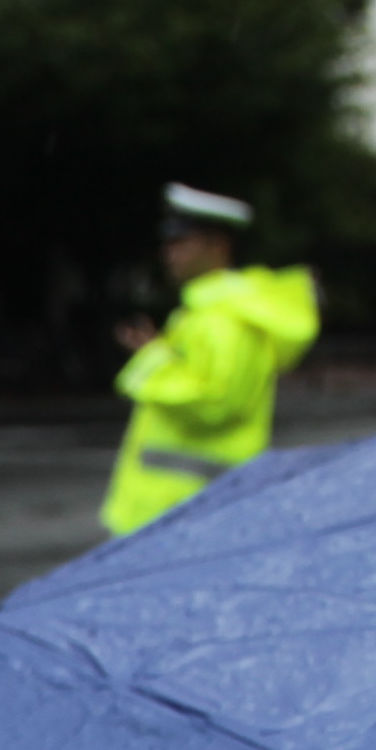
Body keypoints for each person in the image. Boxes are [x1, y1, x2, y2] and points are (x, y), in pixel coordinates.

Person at [102, 183, 320, 535]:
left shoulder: (226, 319)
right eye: (168, 243)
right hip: (181, 513)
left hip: (189, 515)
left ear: (217, 245)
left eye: (181, 242)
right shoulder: (207, 312)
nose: (169, 254)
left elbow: (214, 402)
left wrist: (153, 358)